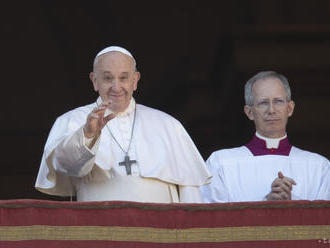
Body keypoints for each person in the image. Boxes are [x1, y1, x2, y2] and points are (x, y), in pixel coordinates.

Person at [35, 46, 211, 203]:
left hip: (160, 235)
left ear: (135, 80)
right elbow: (67, 166)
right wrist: (88, 135)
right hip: (100, 233)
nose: (116, 87)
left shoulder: (168, 125)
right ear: (94, 81)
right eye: (107, 78)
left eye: (123, 78)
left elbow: (190, 187)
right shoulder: (71, 121)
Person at [202, 71, 330, 202]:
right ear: (249, 112)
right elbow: (211, 219)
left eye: (278, 101)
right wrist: (267, 204)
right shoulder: (221, 163)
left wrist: (291, 203)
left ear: (290, 108)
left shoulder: (319, 167)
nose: (271, 110)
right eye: (263, 103)